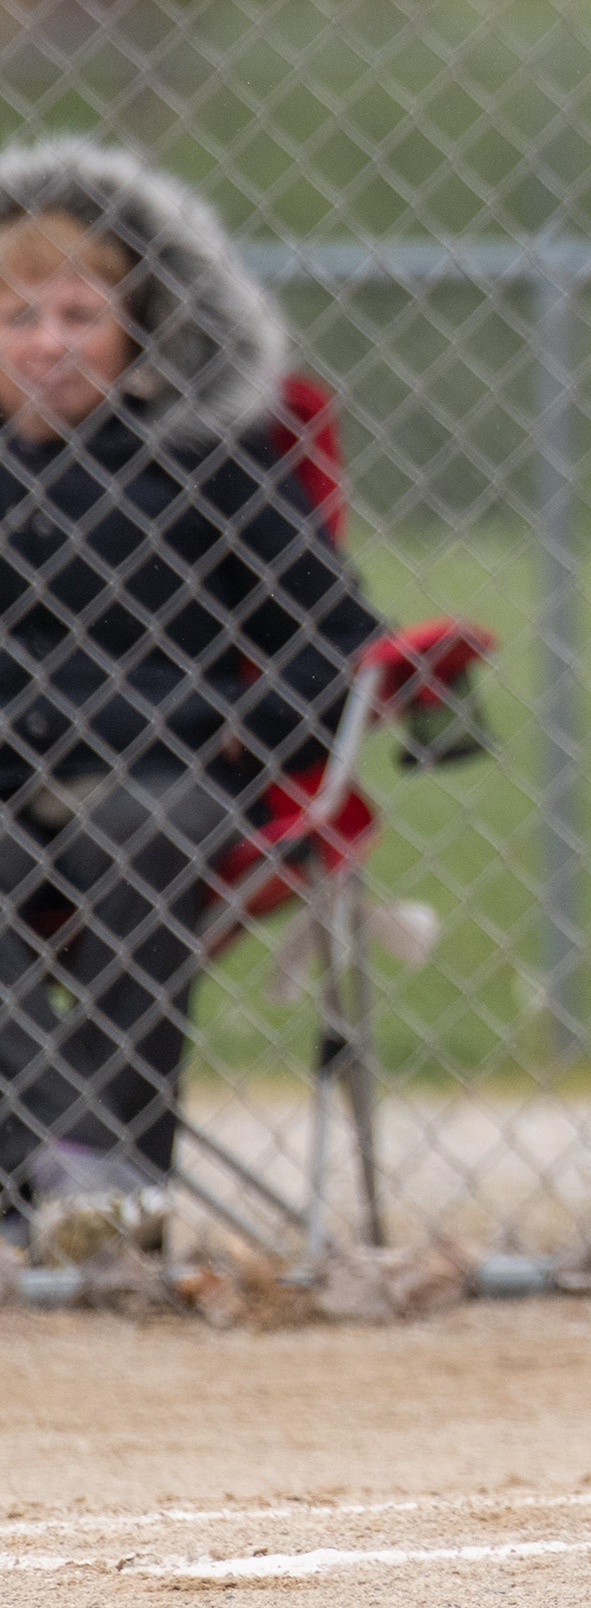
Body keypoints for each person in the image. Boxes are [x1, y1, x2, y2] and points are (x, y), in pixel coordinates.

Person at [0, 138, 381, 1257]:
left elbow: (335, 637)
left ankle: (79, 1183)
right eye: (19, 317)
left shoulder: (209, 458)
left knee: (145, 832)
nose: (50, 344)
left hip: (167, 766)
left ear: (136, 330)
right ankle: (88, 1164)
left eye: (81, 316)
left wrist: (232, 729)